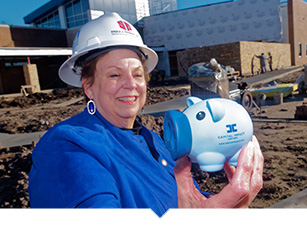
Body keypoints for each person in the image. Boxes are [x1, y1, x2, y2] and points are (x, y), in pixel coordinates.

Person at [28, 12, 264, 216]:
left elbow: (176, 199)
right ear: (88, 86)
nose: (131, 85)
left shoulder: (152, 139)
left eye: (138, 74)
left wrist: (217, 206)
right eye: (114, 75)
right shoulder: (68, 146)